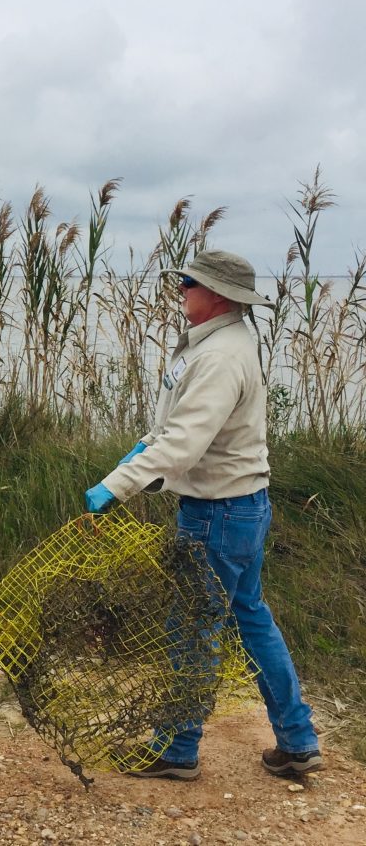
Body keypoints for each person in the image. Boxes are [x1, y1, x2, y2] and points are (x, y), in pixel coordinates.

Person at [84, 250, 322, 781]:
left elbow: (187, 443)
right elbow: (178, 423)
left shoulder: (218, 356)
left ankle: (177, 749)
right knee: (251, 619)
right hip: (244, 505)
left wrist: (115, 485)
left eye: (188, 283)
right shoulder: (222, 343)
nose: (180, 290)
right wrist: (140, 448)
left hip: (217, 513)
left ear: (217, 294)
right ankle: (299, 740)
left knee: (192, 629)